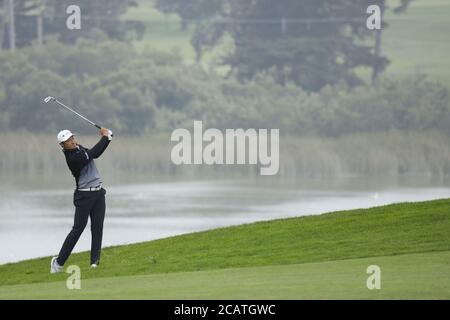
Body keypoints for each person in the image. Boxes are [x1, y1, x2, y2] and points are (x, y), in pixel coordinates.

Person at [50, 128, 113, 273]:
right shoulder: (73, 159)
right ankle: (58, 263)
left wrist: (108, 139)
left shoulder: (79, 148)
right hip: (84, 196)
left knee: (97, 227)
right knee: (78, 229)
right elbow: (93, 154)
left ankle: (94, 263)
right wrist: (105, 137)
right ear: (62, 145)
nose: (72, 141)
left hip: (98, 193)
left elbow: (95, 153)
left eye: (72, 138)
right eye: (68, 141)